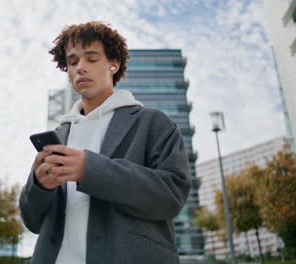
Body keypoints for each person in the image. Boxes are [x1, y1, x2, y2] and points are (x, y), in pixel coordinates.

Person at [19, 21, 191, 264]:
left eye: (91, 58)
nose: (81, 68)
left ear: (114, 64)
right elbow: (32, 221)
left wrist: (90, 170)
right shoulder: (58, 137)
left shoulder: (154, 123)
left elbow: (171, 196)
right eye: (73, 61)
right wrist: (40, 185)